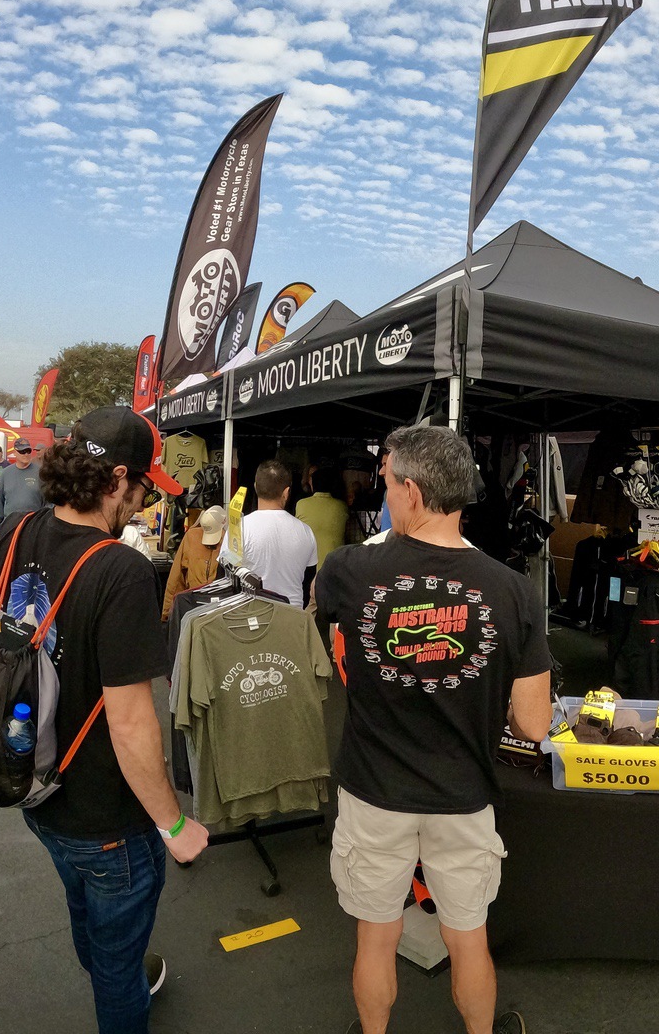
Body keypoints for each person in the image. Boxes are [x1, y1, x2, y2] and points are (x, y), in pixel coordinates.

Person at [314, 424, 551, 1034]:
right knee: (468, 937)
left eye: (387, 483)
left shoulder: (347, 569)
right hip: (463, 795)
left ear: (413, 492)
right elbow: (534, 723)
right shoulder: (514, 590)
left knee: (376, 937)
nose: (383, 494)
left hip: (374, 790)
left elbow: (330, 629)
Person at [0, 407, 205, 1033]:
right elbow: (131, 725)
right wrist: (174, 824)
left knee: (84, 908)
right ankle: (120, 983)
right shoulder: (120, 569)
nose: (143, 502)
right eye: (144, 487)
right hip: (106, 814)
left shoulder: (15, 531)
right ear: (119, 479)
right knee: (116, 959)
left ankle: (114, 970)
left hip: (31, 782)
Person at [237, 459, 318, 605]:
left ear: (255, 487)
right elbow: (308, 583)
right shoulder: (306, 532)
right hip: (292, 613)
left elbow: (226, 576)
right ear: (286, 493)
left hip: (250, 613)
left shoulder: (240, 527)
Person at [161, 505, 223, 621]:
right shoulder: (192, 537)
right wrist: (167, 612)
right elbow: (176, 577)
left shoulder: (231, 542)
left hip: (222, 608)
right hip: (193, 607)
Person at [296, 463, 351, 569]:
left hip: (307, 566)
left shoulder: (301, 504)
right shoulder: (342, 506)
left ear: (313, 485)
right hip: (334, 566)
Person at [0, 438, 43, 523]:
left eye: (28, 451)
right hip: (10, 524)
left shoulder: (41, 473)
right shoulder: (5, 473)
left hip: (33, 524)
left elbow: (48, 502)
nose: (26, 454)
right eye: (22, 451)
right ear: (15, 452)